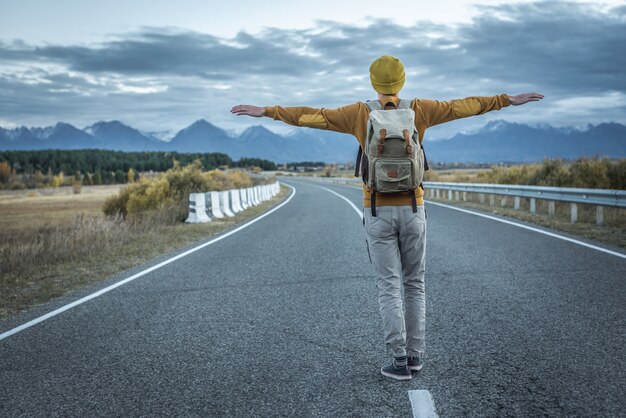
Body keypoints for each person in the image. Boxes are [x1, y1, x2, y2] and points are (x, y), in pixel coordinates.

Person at [231, 55, 543, 381]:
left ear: (373, 83)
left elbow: (311, 117)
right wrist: (506, 100)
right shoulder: (420, 109)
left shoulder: (358, 113)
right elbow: (463, 106)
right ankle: (416, 357)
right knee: (415, 284)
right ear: (403, 82)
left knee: (389, 287)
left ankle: (398, 361)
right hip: (413, 207)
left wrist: (267, 111)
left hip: (377, 209)